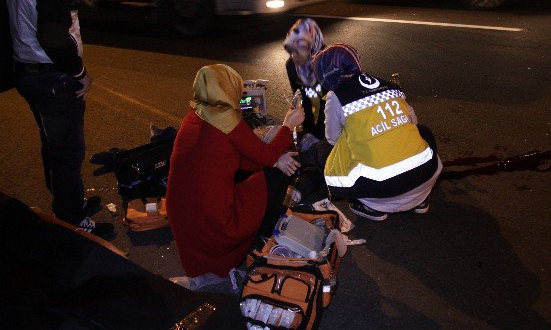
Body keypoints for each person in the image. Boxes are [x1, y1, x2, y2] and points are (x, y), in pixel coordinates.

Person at [1, 0, 110, 235]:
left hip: (26, 68)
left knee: (52, 145)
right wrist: (78, 71)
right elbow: (52, 34)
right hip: (53, 76)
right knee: (67, 153)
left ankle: (69, 204)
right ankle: (73, 224)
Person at [166, 64, 305, 278]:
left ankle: (262, 226)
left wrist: (273, 160)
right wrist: (288, 125)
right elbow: (265, 155)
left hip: (188, 222)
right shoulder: (226, 119)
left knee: (273, 166)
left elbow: (233, 159)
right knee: (274, 177)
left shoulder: (195, 114)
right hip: (217, 229)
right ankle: (263, 235)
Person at [312, 43, 443, 221]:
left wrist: (361, 133)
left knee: (324, 150)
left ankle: (367, 205)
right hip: (424, 181)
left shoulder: (337, 96)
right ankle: (418, 200)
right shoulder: (389, 86)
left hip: (382, 193)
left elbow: (332, 138)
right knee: (422, 132)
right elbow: (413, 122)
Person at [283, 17, 326, 148]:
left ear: (311, 46)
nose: (294, 57)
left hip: (336, 124)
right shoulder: (291, 65)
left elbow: (337, 102)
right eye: (291, 51)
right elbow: (301, 97)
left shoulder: (328, 61)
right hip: (312, 124)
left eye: (297, 51)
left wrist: (319, 134)